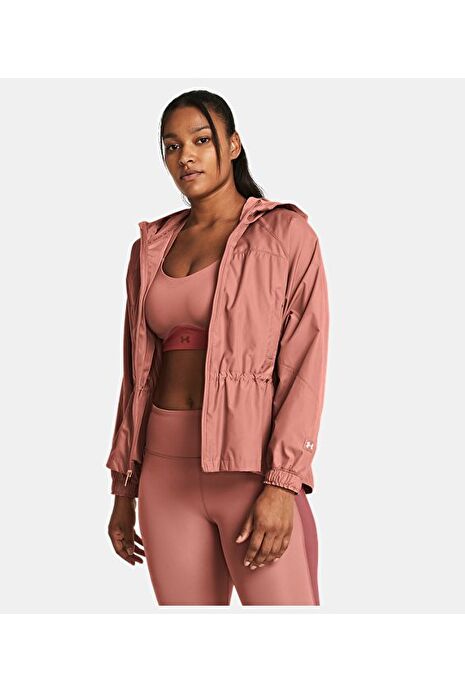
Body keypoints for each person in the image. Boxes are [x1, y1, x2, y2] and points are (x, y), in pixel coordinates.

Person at [106, 89, 329, 606]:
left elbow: (305, 365)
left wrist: (282, 483)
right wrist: (124, 488)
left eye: (201, 140)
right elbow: (135, 377)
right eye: (172, 146)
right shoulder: (149, 249)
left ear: (232, 145)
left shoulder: (285, 235)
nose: (185, 156)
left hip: (249, 473)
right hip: (164, 474)